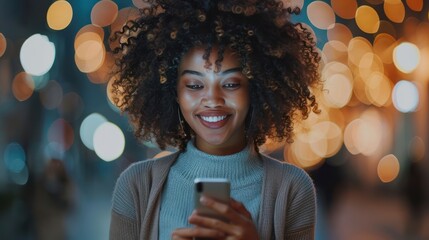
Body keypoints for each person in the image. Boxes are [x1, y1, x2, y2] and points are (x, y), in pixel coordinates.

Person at [109, 0, 320, 239]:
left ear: (256, 88)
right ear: (174, 92)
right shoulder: (137, 186)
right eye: (195, 85)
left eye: (230, 84)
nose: (212, 99)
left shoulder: (291, 188)